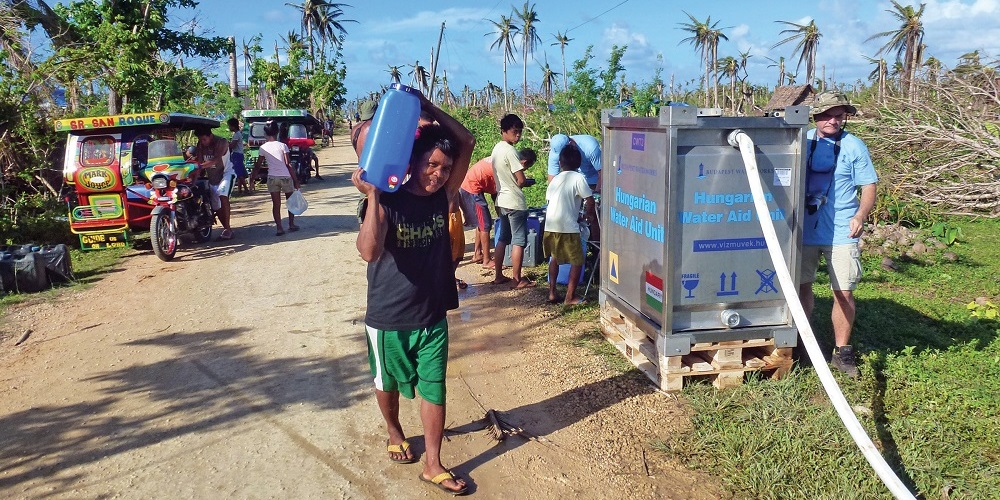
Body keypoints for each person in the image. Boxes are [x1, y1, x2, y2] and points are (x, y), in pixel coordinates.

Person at [352, 93, 474, 496]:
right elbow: (368, 252)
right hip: (387, 316)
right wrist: (373, 196)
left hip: (431, 314)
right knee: (386, 384)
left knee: (434, 386)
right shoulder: (387, 199)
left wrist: (428, 106)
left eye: (445, 168)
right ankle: (393, 430)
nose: (438, 174)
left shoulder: (443, 198)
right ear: (412, 163)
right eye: (431, 165)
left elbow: (467, 141)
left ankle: (433, 462)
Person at [799, 91, 878, 379]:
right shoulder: (801, 141)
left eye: (839, 115)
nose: (833, 120)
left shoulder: (854, 146)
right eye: (827, 114)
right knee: (800, 287)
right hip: (804, 229)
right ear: (816, 116)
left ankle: (842, 351)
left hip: (843, 230)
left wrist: (860, 216)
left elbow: (869, 186)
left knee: (843, 292)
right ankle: (800, 342)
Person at [544, 143, 595, 306]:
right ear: (579, 164)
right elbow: (590, 200)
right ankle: (570, 297)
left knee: (554, 258)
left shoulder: (555, 179)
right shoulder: (579, 178)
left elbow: (555, 201)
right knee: (578, 260)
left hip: (550, 225)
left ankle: (552, 292)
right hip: (567, 227)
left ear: (560, 163)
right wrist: (589, 215)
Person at [492, 113, 534, 289]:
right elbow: (521, 179)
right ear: (504, 131)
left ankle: (499, 275)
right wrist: (525, 183)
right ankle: (517, 279)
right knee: (518, 240)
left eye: (519, 132)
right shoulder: (511, 152)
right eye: (514, 132)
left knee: (503, 238)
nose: (517, 136)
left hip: (502, 199)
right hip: (515, 202)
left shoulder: (497, 149)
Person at [258, 121, 301, 236]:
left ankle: (279, 228)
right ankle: (291, 224)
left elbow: (258, 164)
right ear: (277, 132)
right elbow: (288, 164)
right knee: (290, 202)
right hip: (285, 177)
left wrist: (252, 177)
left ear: (265, 133)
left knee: (276, 205)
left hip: (272, 178)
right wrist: (296, 181)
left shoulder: (263, 148)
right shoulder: (283, 146)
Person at [193, 126, 235, 240]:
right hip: (213, 178)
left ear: (210, 136)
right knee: (216, 206)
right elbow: (199, 162)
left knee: (222, 194)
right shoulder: (201, 145)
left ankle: (227, 230)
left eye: (204, 139)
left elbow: (216, 159)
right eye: (200, 140)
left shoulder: (221, 142)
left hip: (227, 174)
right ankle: (227, 228)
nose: (202, 142)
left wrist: (199, 166)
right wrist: (194, 179)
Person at [227, 118, 250, 195]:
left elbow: (232, 145)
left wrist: (227, 144)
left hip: (237, 154)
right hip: (239, 154)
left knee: (239, 173)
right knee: (240, 172)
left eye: (229, 126)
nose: (229, 128)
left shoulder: (236, 134)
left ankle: (246, 189)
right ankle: (240, 190)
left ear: (233, 126)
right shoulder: (237, 134)